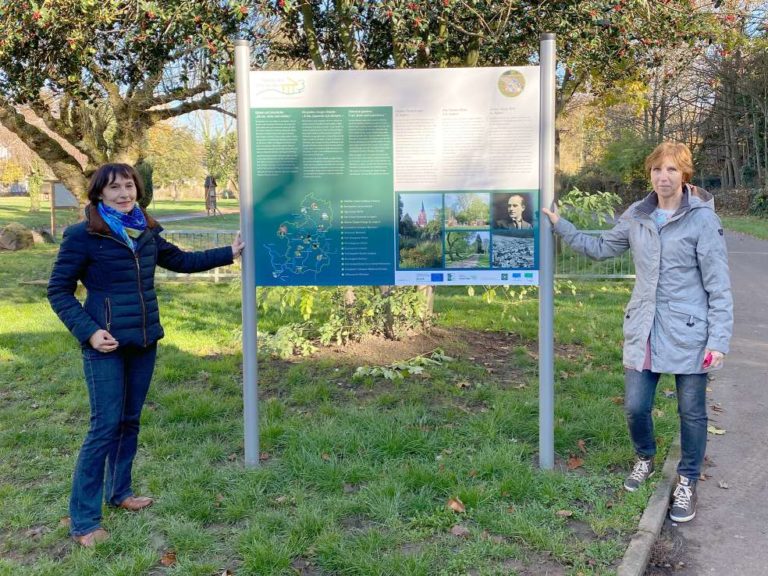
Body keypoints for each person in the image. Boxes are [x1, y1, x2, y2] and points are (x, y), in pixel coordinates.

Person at [47, 163, 245, 547]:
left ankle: (120, 493)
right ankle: (85, 521)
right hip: (105, 346)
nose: (124, 194)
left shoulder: (146, 230)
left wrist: (229, 252)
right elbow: (58, 291)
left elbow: (181, 261)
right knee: (103, 427)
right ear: (98, 194)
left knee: (129, 421)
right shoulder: (83, 235)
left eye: (129, 186)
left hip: (144, 341)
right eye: (115, 188)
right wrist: (89, 333)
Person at [542, 142, 732, 523]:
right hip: (644, 327)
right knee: (635, 406)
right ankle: (644, 457)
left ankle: (687, 480)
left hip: (690, 330)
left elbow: (719, 284)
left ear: (685, 175)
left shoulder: (702, 221)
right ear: (650, 175)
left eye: (672, 170)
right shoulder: (637, 216)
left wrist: (718, 339)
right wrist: (561, 225)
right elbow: (599, 248)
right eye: (657, 170)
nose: (664, 177)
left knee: (691, 412)